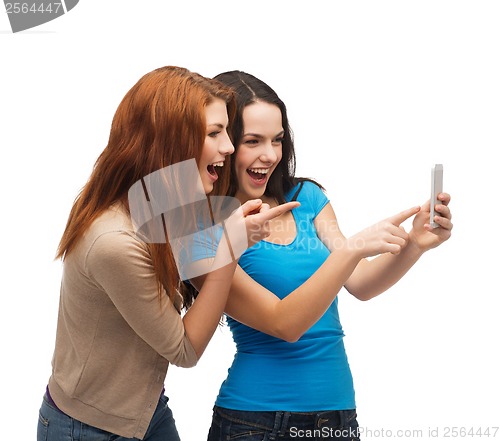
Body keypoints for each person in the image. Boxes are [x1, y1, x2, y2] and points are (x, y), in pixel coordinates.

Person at [36, 66, 298, 441]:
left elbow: (194, 252)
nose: (228, 146)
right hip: (91, 427)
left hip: (146, 411)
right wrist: (229, 249)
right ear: (167, 141)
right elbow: (185, 349)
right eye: (214, 133)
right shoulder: (114, 242)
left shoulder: (157, 199)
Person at [202, 71, 453, 441]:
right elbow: (285, 325)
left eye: (277, 140)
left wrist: (414, 243)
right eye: (252, 141)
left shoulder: (307, 198)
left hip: (337, 416)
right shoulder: (208, 228)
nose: (269, 155)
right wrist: (352, 250)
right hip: (254, 423)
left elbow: (361, 282)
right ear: (223, 144)